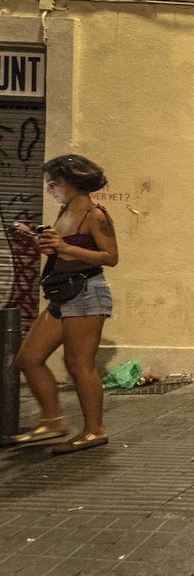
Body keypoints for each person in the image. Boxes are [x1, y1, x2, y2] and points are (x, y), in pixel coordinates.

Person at [11, 154, 118, 454]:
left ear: (71, 183)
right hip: (62, 294)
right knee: (29, 358)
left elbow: (111, 257)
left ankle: (94, 430)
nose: (50, 189)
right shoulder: (64, 211)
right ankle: (53, 422)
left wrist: (64, 246)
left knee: (78, 365)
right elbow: (62, 253)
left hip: (86, 293)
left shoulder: (95, 215)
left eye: (54, 183)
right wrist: (37, 239)